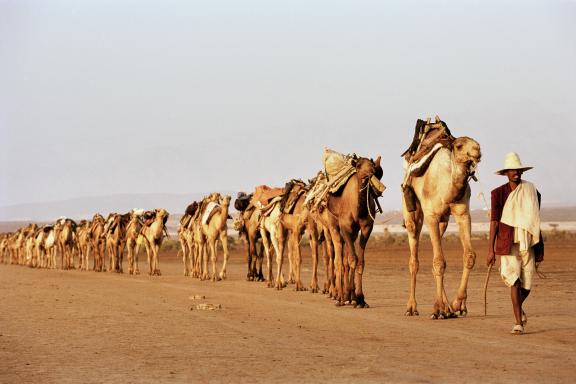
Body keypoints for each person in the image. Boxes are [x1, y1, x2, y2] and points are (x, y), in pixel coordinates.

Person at [487, 152, 544, 334]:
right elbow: (495, 222)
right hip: (507, 241)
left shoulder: (532, 191)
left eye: (518, 170)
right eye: (512, 170)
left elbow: (534, 216)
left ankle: (518, 308)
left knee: (526, 284)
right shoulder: (498, 194)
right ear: (506, 173)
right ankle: (518, 322)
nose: (516, 173)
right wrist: (491, 249)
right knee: (514, 281)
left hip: (527, 239)